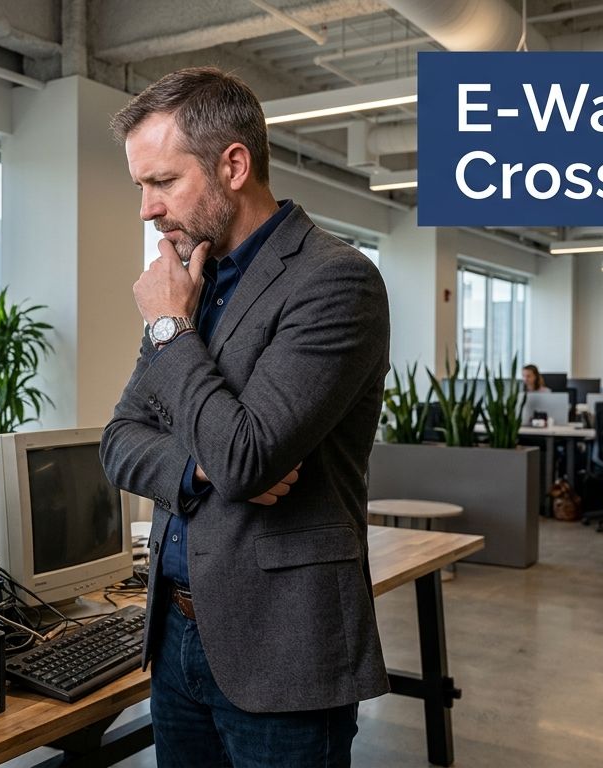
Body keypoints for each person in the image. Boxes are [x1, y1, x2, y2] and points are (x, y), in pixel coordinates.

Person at [99, 67, 390, 767]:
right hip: (174, 636)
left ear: (233, 164)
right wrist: (204, 467)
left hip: (282, 647)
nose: (146, 208)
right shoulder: (190, 281)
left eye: (163, 182)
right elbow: (119, 443)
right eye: (141, 185)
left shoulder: (334, 279)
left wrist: (171, 330)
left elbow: (249, 455)